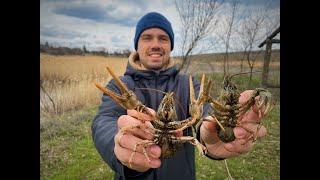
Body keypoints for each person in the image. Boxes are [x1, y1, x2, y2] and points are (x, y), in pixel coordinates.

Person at [92, 12, 267, 180]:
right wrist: (117, 142)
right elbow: (104, 120)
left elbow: (204, 111)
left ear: (170, 45)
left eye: (163, 38)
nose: (155, 44)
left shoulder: (188, 83)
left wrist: (209, 133)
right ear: (137, 45)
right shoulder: (121, 86)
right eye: (147, 37)